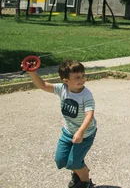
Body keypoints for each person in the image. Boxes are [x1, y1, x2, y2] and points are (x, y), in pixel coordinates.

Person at [25, 59, 97, 188]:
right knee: (61, 160)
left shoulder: (86, 95)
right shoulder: (62, 89)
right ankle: (78, 173)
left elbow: (89, 115)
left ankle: (86, 183)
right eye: (77, 77)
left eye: (83, 75)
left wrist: (80, 132)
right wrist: (33, 73)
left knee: (74, 162)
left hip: (85, 134)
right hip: (68, 132)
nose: (82, 79)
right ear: (66, 81)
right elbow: (43, 85)